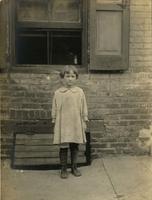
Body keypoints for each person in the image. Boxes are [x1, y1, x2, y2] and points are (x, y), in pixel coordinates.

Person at [52, 65, 88, 179]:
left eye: (73, 76)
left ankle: (74, 167)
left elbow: (83, 107)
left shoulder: (79, 92)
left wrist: (84, 119)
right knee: (63, 146)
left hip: (75, 122)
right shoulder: (58, 93)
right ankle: (63, 168)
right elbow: (54, 107)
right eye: (67, 76)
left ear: (76, 78)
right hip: (63, 123)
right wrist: (54, 119)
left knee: (74, 145)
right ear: (62, 78)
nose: (70, 79)